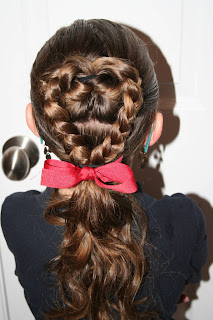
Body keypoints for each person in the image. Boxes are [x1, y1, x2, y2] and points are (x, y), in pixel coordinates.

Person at [1, 19, 208, 320]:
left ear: (33, 121)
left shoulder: (15, 215)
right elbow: (185, 286)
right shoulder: (185, 219)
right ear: (155, 130)